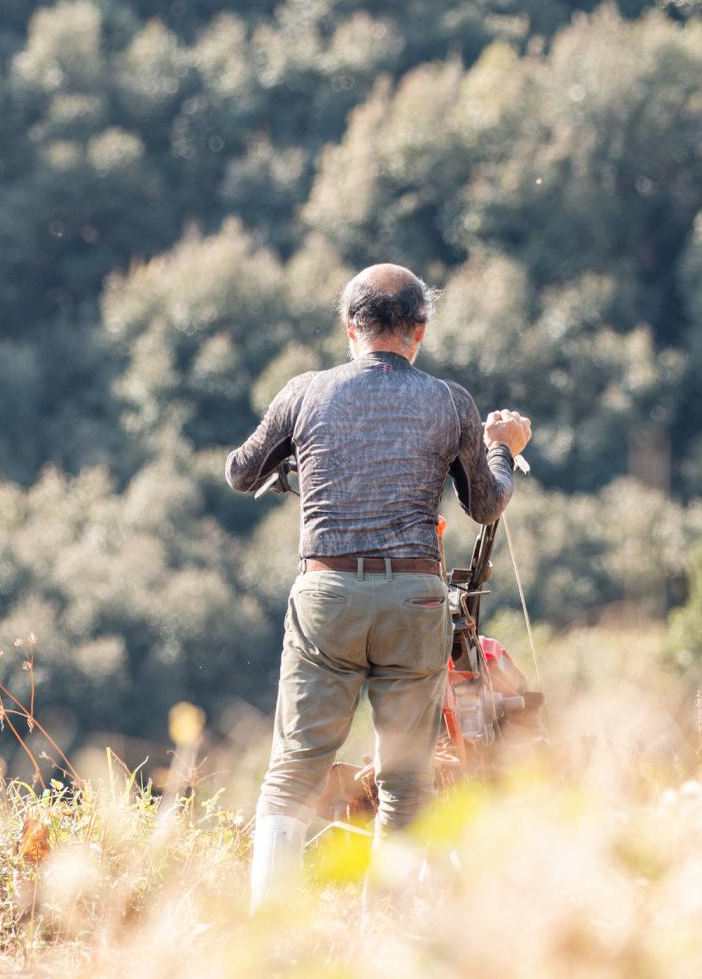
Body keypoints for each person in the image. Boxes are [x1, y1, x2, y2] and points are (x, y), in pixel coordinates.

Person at [226, 262, 532, 911]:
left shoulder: (305, 392)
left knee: (291, 775)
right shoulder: (451, 402)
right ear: (419, 329)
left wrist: (298, 454)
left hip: (327, 595)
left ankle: (269, 937)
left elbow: (239, 471)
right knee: (405, 783)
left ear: (350, 327)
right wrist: (501, 445)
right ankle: (387, 939)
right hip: (414, 601)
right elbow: (486, 504)